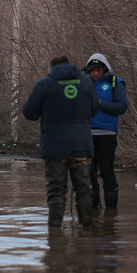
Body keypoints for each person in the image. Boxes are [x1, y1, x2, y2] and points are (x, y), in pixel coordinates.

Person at [22, 56, 99, 227]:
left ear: (52, 68)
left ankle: (55, 237)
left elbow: (29, 113)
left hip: (55, 147)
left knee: (56, 191)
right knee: (84, 190)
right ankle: (86, 234)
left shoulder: (44, 84)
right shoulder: (87, 83)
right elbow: (94, 110)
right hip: (82, 146)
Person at [84, 53, 127, 209]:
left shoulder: (116, 83)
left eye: (98, 70)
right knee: (88, 175)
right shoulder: (83, 84)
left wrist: (99, 103)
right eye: (92, 70)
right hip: (86, 137)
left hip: (106, 136)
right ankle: (92, 214)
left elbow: (121, 107)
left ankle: (110, 214)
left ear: (104, 69)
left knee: (107, 172)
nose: (94, 73)